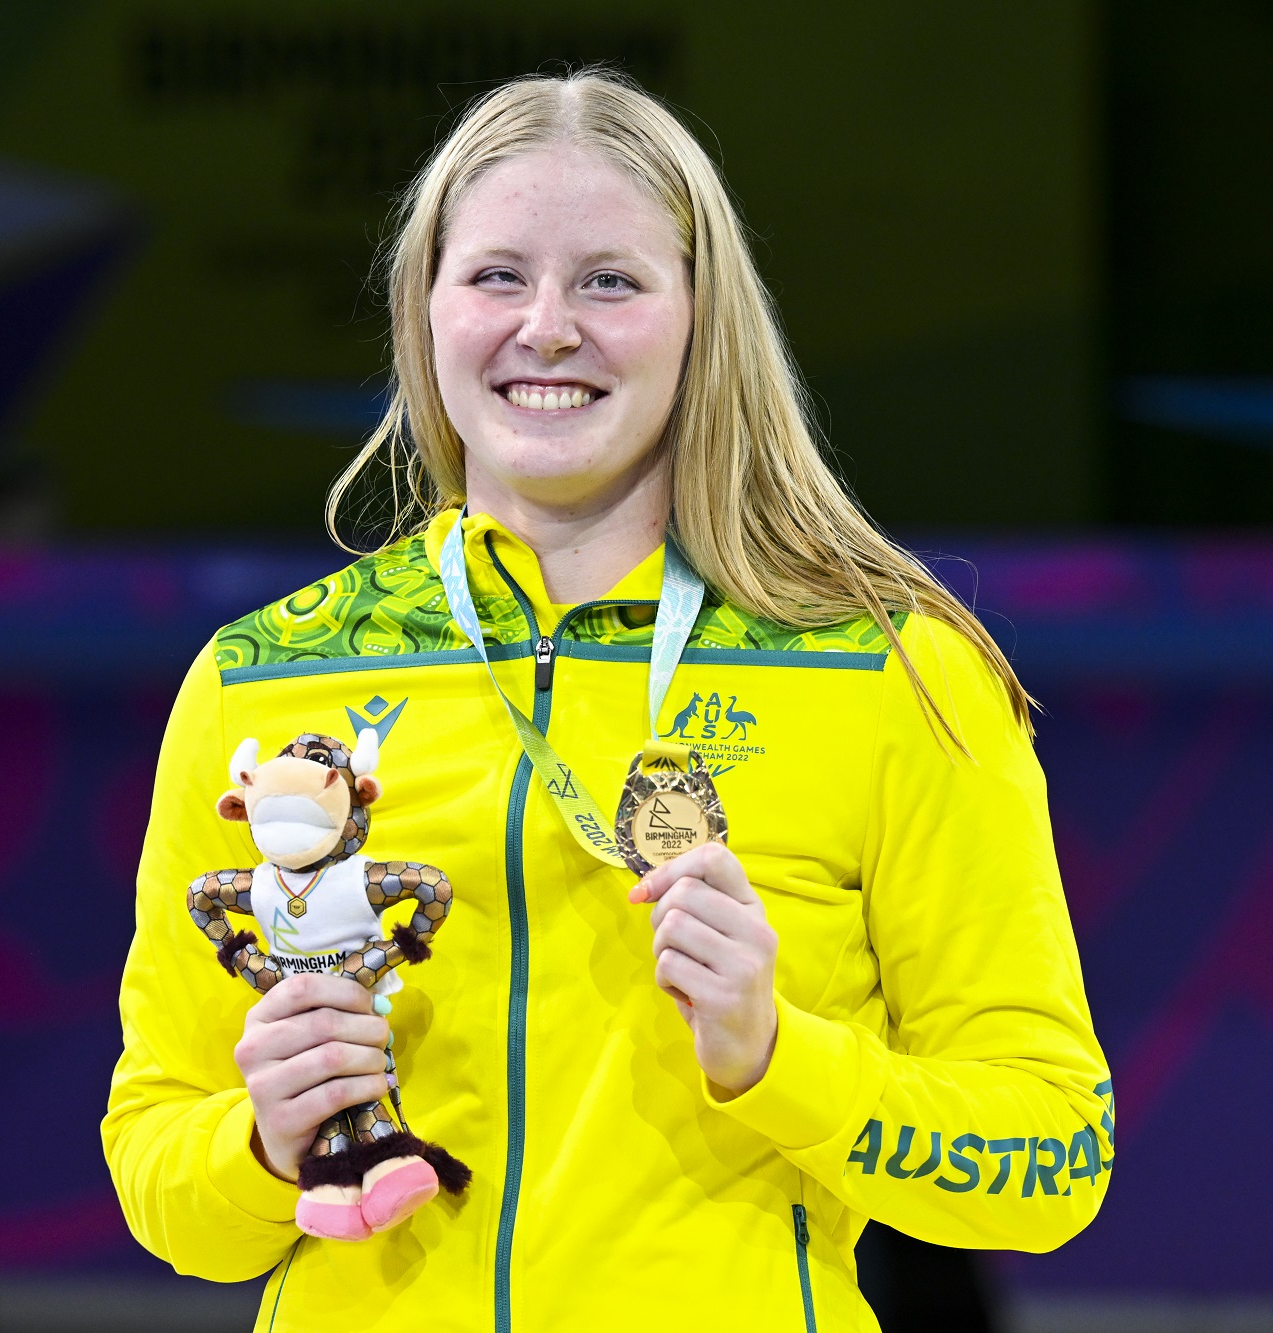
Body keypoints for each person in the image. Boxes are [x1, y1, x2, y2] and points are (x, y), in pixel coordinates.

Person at [105, 70, 1112, 1331]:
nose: (544, 327)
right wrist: (259, 1143)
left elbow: (1050, 1162)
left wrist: (774, 1056)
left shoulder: (888, 672)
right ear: (424, 313)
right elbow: (157, 1177)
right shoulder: (262, 681)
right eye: (493, 276)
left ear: (701, 318)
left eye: (609, 281)